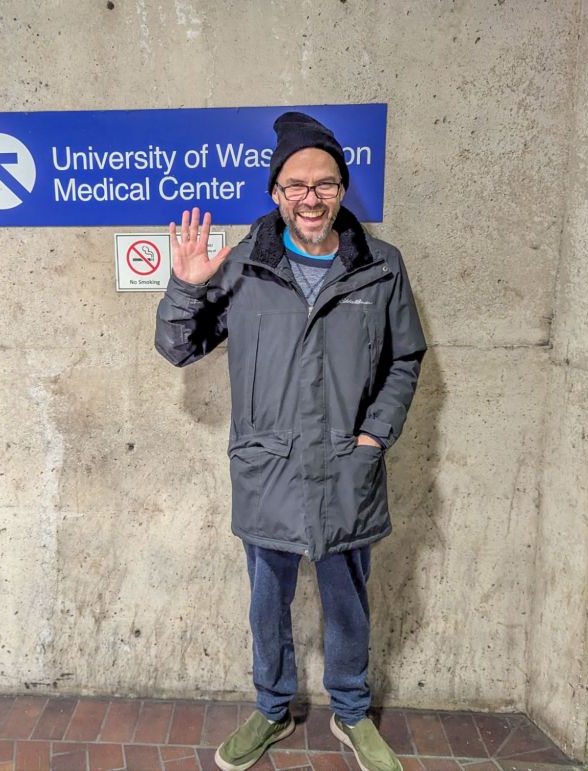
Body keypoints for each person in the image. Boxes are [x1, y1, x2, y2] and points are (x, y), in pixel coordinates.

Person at [155, 112, 426, 771]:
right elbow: (179, 347)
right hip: (267, 468)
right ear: (276, 191)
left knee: (348, 602)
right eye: (296, 184)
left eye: (325, 183)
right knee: (267, 603)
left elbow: (405, 358)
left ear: (342, 189)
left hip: (344, 469)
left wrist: (374, 437)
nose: (311, 197)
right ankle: (272, 708)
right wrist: (187, 285)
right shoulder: (246, 264)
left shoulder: (381, 267)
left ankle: (352, 713)